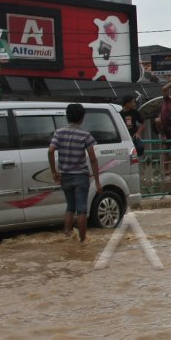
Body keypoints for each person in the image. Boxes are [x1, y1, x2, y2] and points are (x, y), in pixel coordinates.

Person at [48, 103, 102, 242]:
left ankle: (67, 236)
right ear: (82, 118)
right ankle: (83, 241)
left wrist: (54, 171)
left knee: (70, 207)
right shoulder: (85, 135)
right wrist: (97, 181)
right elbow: (93, 159)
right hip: (80, 176)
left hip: (65, 176)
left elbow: (50, 151)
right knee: (82, 209)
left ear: (67, 117)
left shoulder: (58, 133)